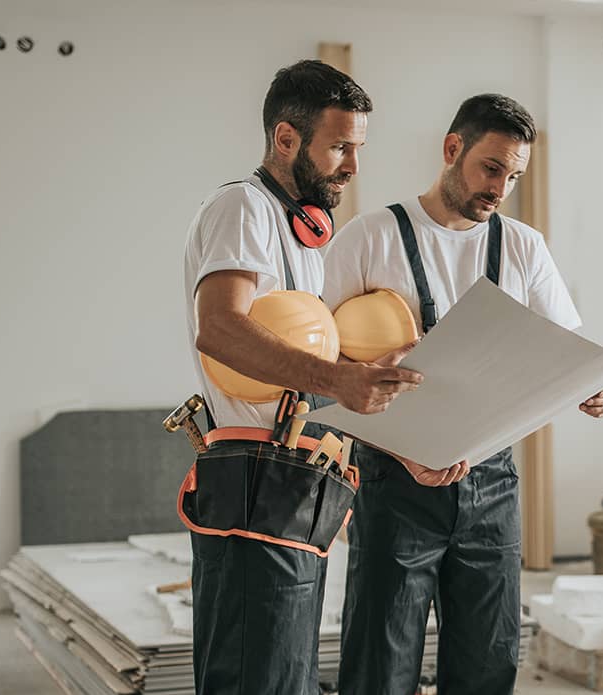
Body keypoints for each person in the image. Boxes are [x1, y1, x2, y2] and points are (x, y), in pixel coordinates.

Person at [323, 93, 603, 695]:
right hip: (395, 482)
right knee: (380, 665)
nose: (500, 188)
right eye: (491, 168)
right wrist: (407, 449)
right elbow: (320, 370)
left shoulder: (523, 246)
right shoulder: (368, 237)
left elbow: (568, 348)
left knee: (488, 662)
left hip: (492, 484)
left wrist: (596, 385)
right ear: (452, 149)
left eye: (513, 176)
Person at [180, 59, 420, 695]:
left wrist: (356, 375)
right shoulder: (243, 208)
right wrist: (340, 382)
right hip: (253, 477)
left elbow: (299, 355)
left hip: (296, 477)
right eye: (340, 146)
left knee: (285, 673)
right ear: (286, 139)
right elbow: (221, 330)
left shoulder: (303, 238)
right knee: (253, 678)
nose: (353, 166)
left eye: (358, 148)